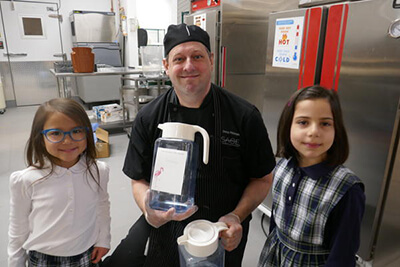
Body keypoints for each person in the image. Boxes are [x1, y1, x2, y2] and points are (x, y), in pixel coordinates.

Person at [101, 23, 276, 267]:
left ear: (211, 60)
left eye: (197, 56)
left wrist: (237, 215)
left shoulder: (244, 116)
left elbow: (262, 178)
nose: (189, 66)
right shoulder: (149, 117)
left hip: (220, 234)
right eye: (179, 58)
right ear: (166, 66)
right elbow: (138, 179)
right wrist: (148, 209)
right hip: (167, 232)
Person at [258, 85, 366, 267]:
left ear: (336, 129)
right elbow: (276, 224)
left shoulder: (347, 189)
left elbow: (342, 257)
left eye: (325, 123)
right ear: (288, 125)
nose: (314, 131)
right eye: (303, 122)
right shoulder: (282, 167)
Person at [8, 98, 111, 267]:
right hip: (44, 258)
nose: (68, 140)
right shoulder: (26, 179)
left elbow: (102, 205)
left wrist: (103, 239)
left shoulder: (99, 170)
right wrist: (15, 263)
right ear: (40, 138)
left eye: (77, 131)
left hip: (87, 253)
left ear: (87, 133)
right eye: (56, 133)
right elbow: (18, 227)